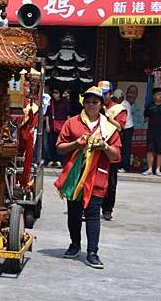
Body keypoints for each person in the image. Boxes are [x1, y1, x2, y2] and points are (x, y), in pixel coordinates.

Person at [54, 86, 121, 269]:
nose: (91, 105)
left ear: (101, 105)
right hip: (75, 177)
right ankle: (75, 244)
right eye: (88, 101)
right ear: (83, 103)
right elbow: (59, 147)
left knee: (93, 214)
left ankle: (92, 252)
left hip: (97, 177)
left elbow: (116, 156)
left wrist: (105, 147)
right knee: (74, 214)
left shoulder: (109, 127)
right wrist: (76, 144)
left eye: (95, 102)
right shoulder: (72, 123)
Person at [98, 81, 127, 222]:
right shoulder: (93, 105)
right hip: (96, 148)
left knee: (111, 182)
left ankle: (108, 209)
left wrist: (108, 117)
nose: (103, 97)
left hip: (111, 148)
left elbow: (120, 128)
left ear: (110, 94)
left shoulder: (118, 109)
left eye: (105, 94)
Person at [143, 87, 161, 176]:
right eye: (158, 94)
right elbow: (146, 119)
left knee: (160, 150)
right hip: (151, 131)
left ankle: (158, 169)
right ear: (154, 96)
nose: (160, 96)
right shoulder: (150, 106)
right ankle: (150, 169)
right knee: (150, 150)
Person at [46, 88, 70, 167]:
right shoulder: (51, 102)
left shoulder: (64, 102)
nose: (54, 94)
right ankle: (52, 159)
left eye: (56, 93)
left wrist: (68, 126)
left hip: (62, 125)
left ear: (60, 93)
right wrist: (47, 125)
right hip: (52, 125)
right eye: (53, 93)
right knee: (51, 143)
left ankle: (59, 160)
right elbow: (47, 114)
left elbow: (68, 115)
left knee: (60, 143)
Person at [117, 89, 134, 173]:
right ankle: (121, 165)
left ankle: (125, 166)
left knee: (125, 148)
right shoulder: (125, 103)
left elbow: (123, 120)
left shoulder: (124, 105)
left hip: (127, 128)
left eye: (116, 98)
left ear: (120, 97)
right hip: (126, 128)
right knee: (123, 148)